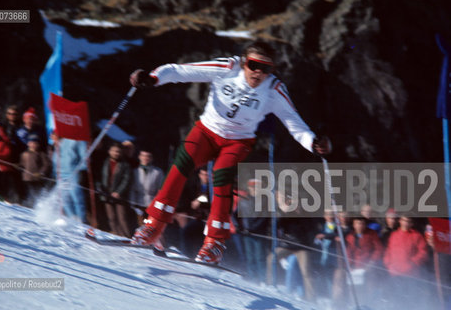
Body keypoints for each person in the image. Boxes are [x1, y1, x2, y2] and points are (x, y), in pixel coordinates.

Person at [128, 40, 331, 264]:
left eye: (266, 68)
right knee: (181, 163)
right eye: (254, 65)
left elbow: (295, 124)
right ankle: (153, 226)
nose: (258, 73)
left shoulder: (273, 89)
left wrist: (314, 143)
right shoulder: (227, 69)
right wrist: (153, 78)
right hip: (207, 131)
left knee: (222, 175)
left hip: (238, 141)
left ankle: (214, 243)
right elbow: (180, 71)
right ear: (244, 63)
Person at [383, 215, 429, 309]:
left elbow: (423, 253)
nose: (406, 223)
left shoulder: (417, 236)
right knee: (395, 299)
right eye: (404, 220)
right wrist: (387, 263)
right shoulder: (394, 235)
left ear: (411, 223)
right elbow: (389, 250)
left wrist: (412, 264)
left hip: (410, 275)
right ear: (400, 221)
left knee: (410, 301)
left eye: (408, 221)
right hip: (394, 274)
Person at [96, 143, 133, 237]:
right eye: (114, 151)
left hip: (119, 195)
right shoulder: (104, 162)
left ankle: (126, 236)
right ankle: (116, 235)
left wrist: (119, 192)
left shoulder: (125, 165)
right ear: (109, 151)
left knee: (122, 217)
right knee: (111, 217)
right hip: (106, 194)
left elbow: (127, 180)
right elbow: (98, 177)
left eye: (118, 151)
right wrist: (100, 188)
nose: (116, 153)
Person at [52, 134, 88, 223]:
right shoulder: (56, 146)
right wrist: (54, 174)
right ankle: (71, 219)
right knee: (64, 199)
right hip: (60, 175)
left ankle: (81, 220)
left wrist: (81, 170)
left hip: (73, 173)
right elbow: (55, 163)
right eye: (52, 135)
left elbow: (85, 158)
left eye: (55, 135)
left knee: (76, 198)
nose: (53, 137)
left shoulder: (75, 141)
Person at [127, 150, 164, 225]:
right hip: (138, 202)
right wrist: (133, 203)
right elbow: (132, 188)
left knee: (151, 225)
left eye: (148, 156)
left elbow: (160, 189)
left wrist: (157, 204)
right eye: (143, 156)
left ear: (151, 158)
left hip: (152, 203)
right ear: (139, 157)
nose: (145, 158)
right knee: (141, 224)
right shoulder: (135, 171)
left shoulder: (157, 172)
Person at [19, 134, 51, 207]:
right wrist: (19, 166)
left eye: (35, 143)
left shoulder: (41, 154)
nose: (33, 145)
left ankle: (35, 206)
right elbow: (22, 164)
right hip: (27, 178)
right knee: (28, 193)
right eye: (31, 143)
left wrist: (41, 173)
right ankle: (27, 205)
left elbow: (46, 165)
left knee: (35, 193)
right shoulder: (24, 154)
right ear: (28, 143)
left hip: (36, 178)